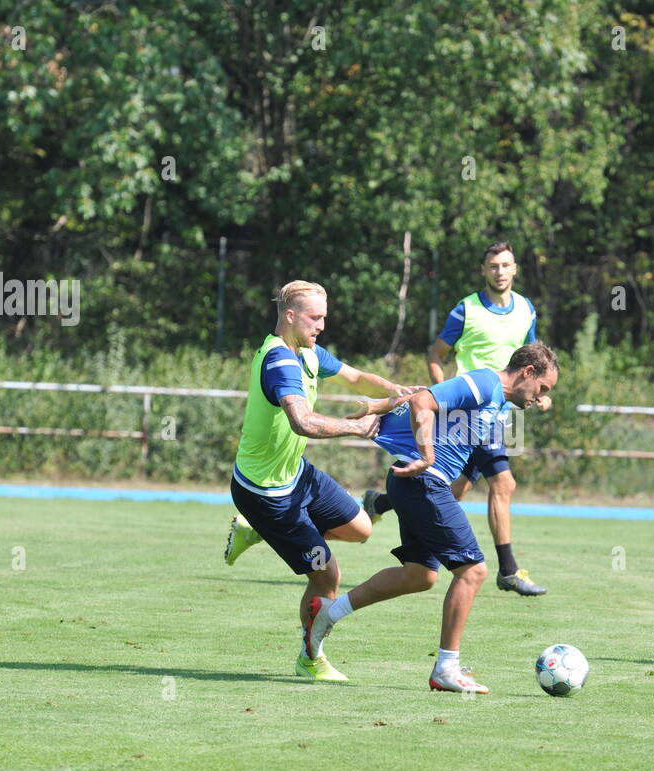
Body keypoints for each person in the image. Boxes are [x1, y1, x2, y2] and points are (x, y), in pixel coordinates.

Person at [302, 343, 559, 693]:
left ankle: (328, 615)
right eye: (542, 389)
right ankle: (446, 668)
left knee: (419, 575)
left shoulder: (498, 402)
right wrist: (425, 455)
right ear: (528, 372)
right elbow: (425, 402)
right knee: (473, 570)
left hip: (417, 483)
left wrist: (379, 406)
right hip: (424, 480)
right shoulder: (486, 383)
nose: (540, 398)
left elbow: (421, 395)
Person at [222, 280, 417, 682]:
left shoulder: (308, 352)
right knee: (327, 576)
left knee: (362, 528)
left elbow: (355, 376)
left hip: (296, 476)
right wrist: (357, 427)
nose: (322, 325)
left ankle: (254, 532)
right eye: (315, 317)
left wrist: (397, 390)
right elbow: (303, 421)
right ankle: (310, 657)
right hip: (266, 495)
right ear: (290, 316)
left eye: (325, 317)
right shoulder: (281, 363)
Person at [362, 240, 550, 596]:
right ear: (484, 270)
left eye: (506, 265)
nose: (500, 271)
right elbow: (436, 353)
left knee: (458, 487)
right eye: (493, 265)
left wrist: (540, 392)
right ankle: (508, 570)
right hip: (471, 411)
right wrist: (444, 396)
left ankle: (383, 503)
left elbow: (533, 359)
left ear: (515, 269)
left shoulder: (526, 309)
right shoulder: (466, 309)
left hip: (502, 414)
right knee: (503, 483)